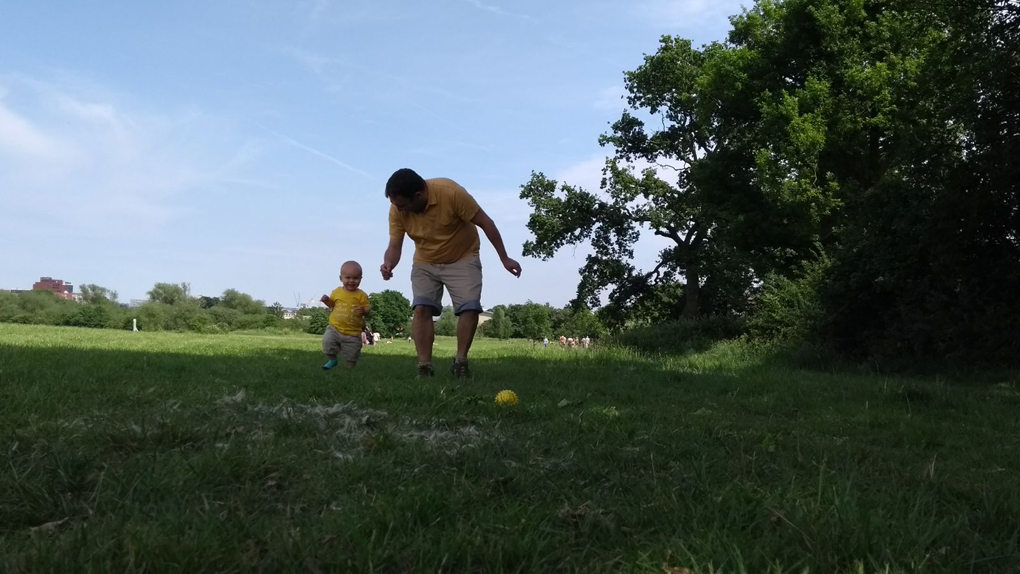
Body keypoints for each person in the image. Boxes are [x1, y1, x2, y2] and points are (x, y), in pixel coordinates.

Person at [380, 168, 521, 378]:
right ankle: (424, 366)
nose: (398, 209)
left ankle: (460, 361)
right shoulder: (397, 209)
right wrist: (388, 263)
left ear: (418, 196)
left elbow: (486, 223)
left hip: (463, 257)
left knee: (471, 308)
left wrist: (504, 258)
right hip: (425, 261)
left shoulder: (451, 193)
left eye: (402, 204)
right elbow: (395, 245)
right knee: (421, 308)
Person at [319, 261, 370, 370]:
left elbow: (367, 309)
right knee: (328, 342)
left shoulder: (362, 295)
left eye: (355, 278)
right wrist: (326, 300)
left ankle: (350, 371)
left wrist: (364, 310)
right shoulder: (337, 292)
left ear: (361, 279)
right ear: (341, 278)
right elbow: (332, 305)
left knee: (352, 354)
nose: (351, 281)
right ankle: (332, 360)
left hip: (353, 332)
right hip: (335, 328)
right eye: (348, 278)